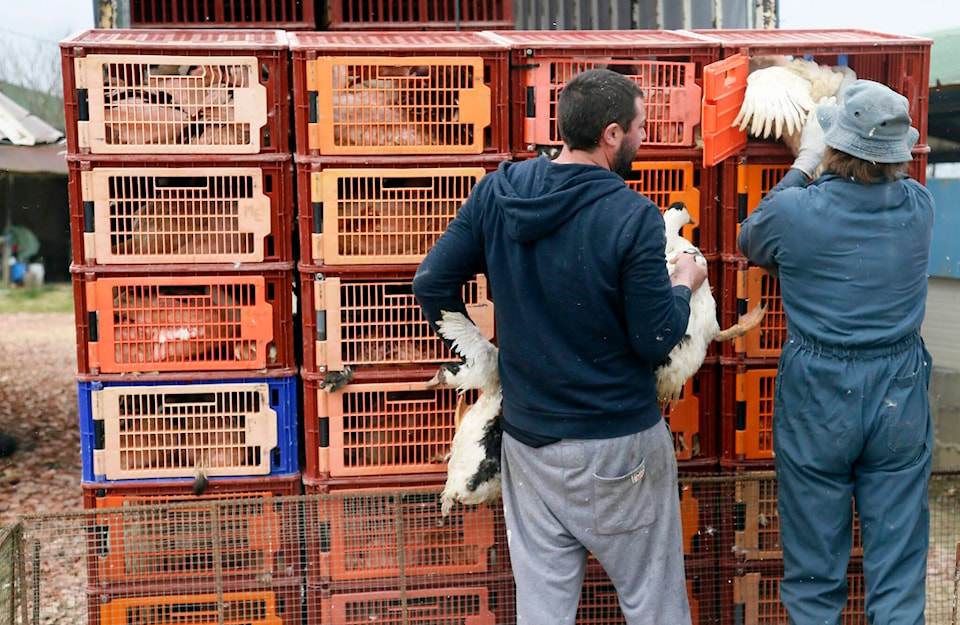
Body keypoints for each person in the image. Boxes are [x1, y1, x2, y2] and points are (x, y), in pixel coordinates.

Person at [413, 68, 707, 624]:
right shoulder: (632, 216)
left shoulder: (497, 192)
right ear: (613, 135)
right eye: (641, 127)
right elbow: (654, 340)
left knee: (543, 609)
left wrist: (483, 356)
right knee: (654, 602)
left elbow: (431, 283)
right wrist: (682, 285)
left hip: (529, 444)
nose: (643, 138)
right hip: (618, 445)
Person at [738, 79, 935, 625]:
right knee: (897, 571)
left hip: (818, 394)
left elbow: (750, 240)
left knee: (814, 572)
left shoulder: (796, 212)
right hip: (899, 392)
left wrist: (801, 166)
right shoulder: (919, 207)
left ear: (834, 145)